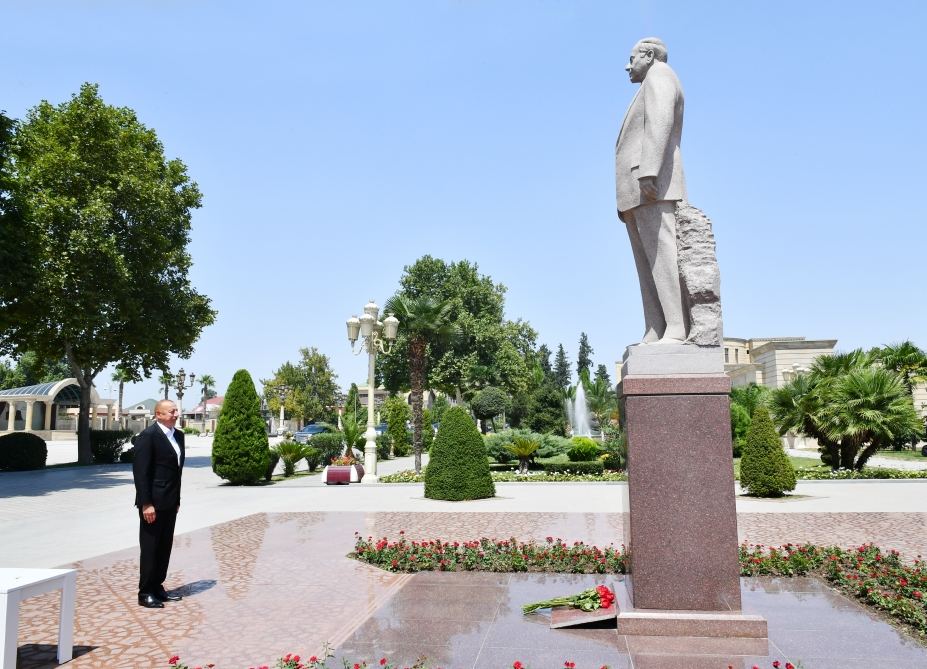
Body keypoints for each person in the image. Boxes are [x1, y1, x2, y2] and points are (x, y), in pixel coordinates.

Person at [615, 37, 688, 344]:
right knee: (648, 261)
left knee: (661, 254)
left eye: (632, 58)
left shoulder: (660, 75)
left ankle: (675, 326)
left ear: (648, 55)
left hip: (651, 186)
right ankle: (656, 326)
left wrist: (649, 171)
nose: (627, 65)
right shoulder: (648, 83)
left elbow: (660, 121)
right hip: (638, 191)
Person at [133, 399, 185, 608]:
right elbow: (141, 473)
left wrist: (177, 500)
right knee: (150, 547)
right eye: (171, 411)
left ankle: (158, 587)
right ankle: (145, 592)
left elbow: (176, 473)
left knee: (164, 547)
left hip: (170, 502)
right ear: (158, 414)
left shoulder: (178, 436)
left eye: (176, 411)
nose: (175, 414)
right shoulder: (148, 437)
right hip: (152, 503)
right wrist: (146, 503)